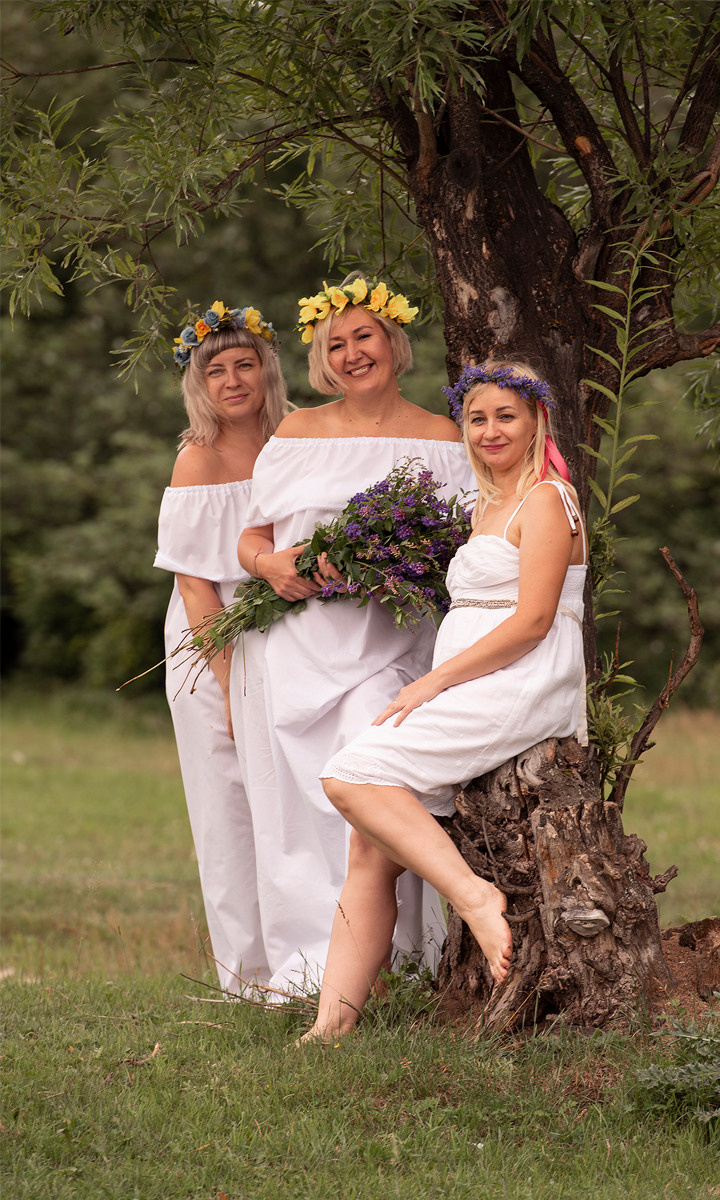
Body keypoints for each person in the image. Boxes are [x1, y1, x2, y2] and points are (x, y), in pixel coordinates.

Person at [302, 359, 588, 1040]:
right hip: (474, 680)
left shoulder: (547, 499)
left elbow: (533, 621)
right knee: (368, 849)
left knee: (349, 775)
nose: (490, 431)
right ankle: (329, 1027)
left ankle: (475, 898)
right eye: (477, 418)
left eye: (506, 416)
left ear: (536, 420)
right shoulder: (487, 503)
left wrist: (433, 682)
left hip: (521, 681)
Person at [231, 275, 475, 997]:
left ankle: (396, 964)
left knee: (376, 790)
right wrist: (272, 565)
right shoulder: (295, 433)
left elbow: (462, 544)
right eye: (334, 344)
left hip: (391, 648)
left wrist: (395, 561)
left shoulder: (442, 438)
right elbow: (251, 538)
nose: (350, 353)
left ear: (393, 343)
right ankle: (310, 971)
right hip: (295, 644)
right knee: (297, 811)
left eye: (363, 336)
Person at [154, 301, 288, 993]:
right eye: (217, 370)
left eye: (245, 365)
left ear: (267, 370)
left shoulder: (295, 440)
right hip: (214, 637)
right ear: (198, 383)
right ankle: (251, 977)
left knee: (289, 795)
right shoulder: (197, 459)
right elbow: (195, 583)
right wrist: (230, 685)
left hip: (286, 630)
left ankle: (313, 956)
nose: (233, 381)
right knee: (229, 803)